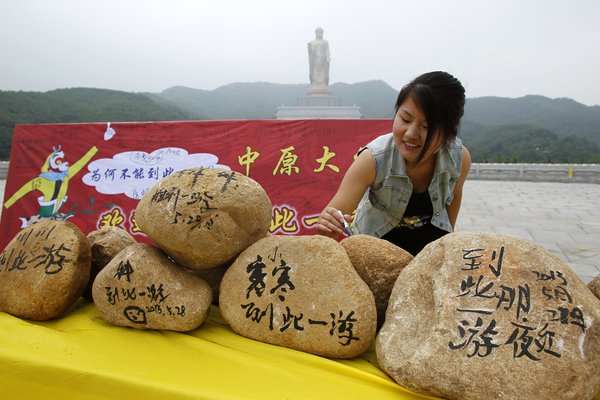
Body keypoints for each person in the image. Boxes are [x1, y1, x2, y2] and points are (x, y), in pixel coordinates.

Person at [316, 71, 471, 256]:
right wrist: (328, 224)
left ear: (448, 133)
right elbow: (333, 217)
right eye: (405, 119)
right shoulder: (372, 160)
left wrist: (446, 243)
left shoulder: (459, 158)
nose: (411, 133)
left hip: (429, 254)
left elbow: (454, 199)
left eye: (427, 127)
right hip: (377, 251)